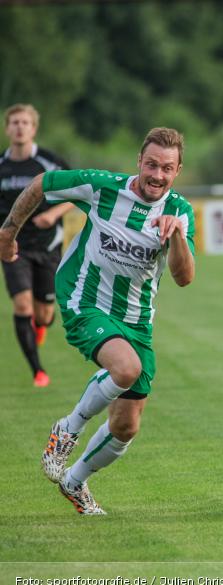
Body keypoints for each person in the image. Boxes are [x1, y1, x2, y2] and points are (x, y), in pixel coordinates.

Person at [0, 127, 196, 514]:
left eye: (167, 168)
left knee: (126, 426)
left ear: (177, 171)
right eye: (152, 164)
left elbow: (184, 277)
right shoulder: (104, 188)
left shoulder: (180, 212)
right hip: (83, 300)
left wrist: (175, 237)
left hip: (136, 321)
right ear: (139, 162)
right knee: (125, 368)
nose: (158, 175)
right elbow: (42, 183)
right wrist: (8, 231)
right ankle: (67, 430)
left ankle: (75, 481)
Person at [0, 104, 72, 386]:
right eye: (14, 122)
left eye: (25, 122)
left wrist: (53, 214)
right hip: (13, 247)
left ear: (34, 128)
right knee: (22, 304)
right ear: (7, 128)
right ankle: (38, 370)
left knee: (44, 313)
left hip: (47, 245)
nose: (19, 127)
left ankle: (40, 325)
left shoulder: (50, 163)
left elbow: (77, 195)